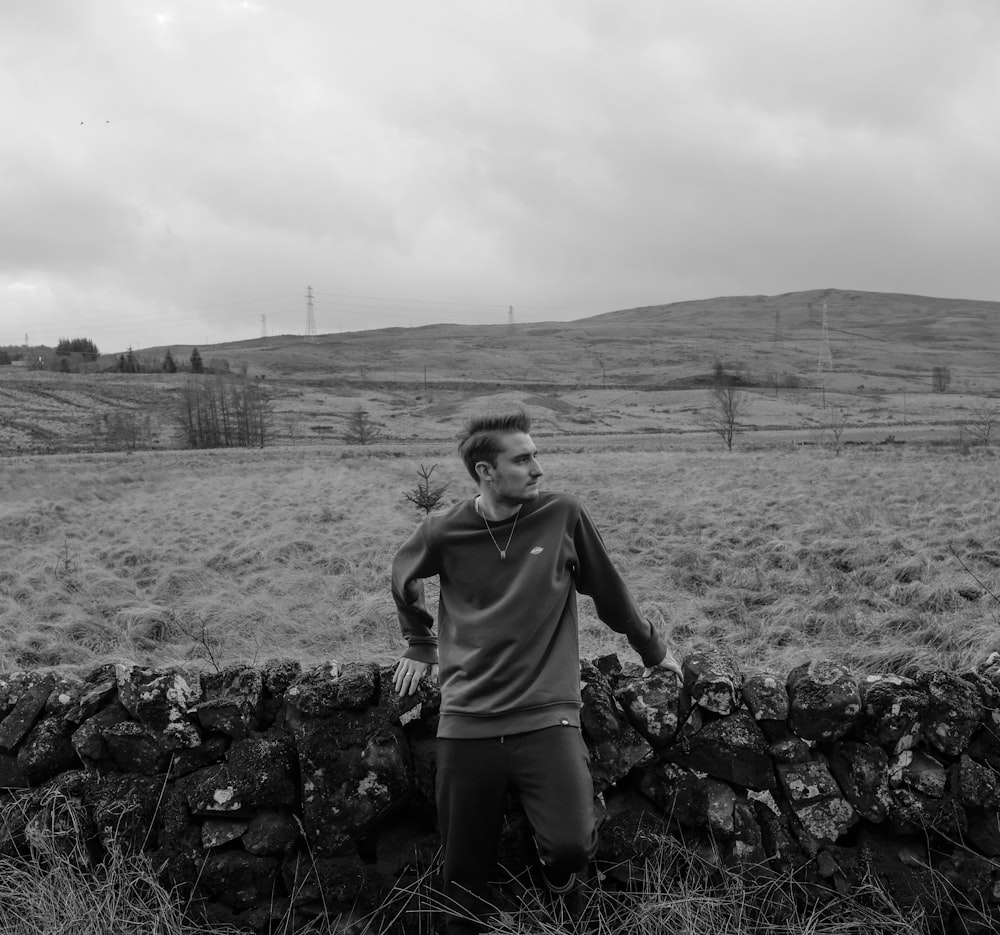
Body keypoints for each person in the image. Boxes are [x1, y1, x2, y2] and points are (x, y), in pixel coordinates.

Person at [392, 411, 681, 934]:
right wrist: (419, 642)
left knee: (572, 845)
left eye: (536, 455)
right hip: (467, 721)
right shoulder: (443, 530)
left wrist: (652, 650)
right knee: (462, 874)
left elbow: (610, 595)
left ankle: (561, 891)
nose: (538, 469)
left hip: (548, 719)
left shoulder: (562, 514)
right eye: (523, 459)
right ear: (486, 471)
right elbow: (403, 576)